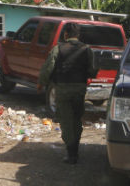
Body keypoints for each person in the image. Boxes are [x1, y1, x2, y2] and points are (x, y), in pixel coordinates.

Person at [37, 23, 97, 164]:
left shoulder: (58, 49)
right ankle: (75, 149)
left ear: (65, 35)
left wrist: (41, 83)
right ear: (78, 35)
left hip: (63, 89)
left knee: (66, 121)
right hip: (79, 90)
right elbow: (93, 71)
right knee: (76, 120)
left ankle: (71, 154)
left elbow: (48, 68)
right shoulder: (87, 50)